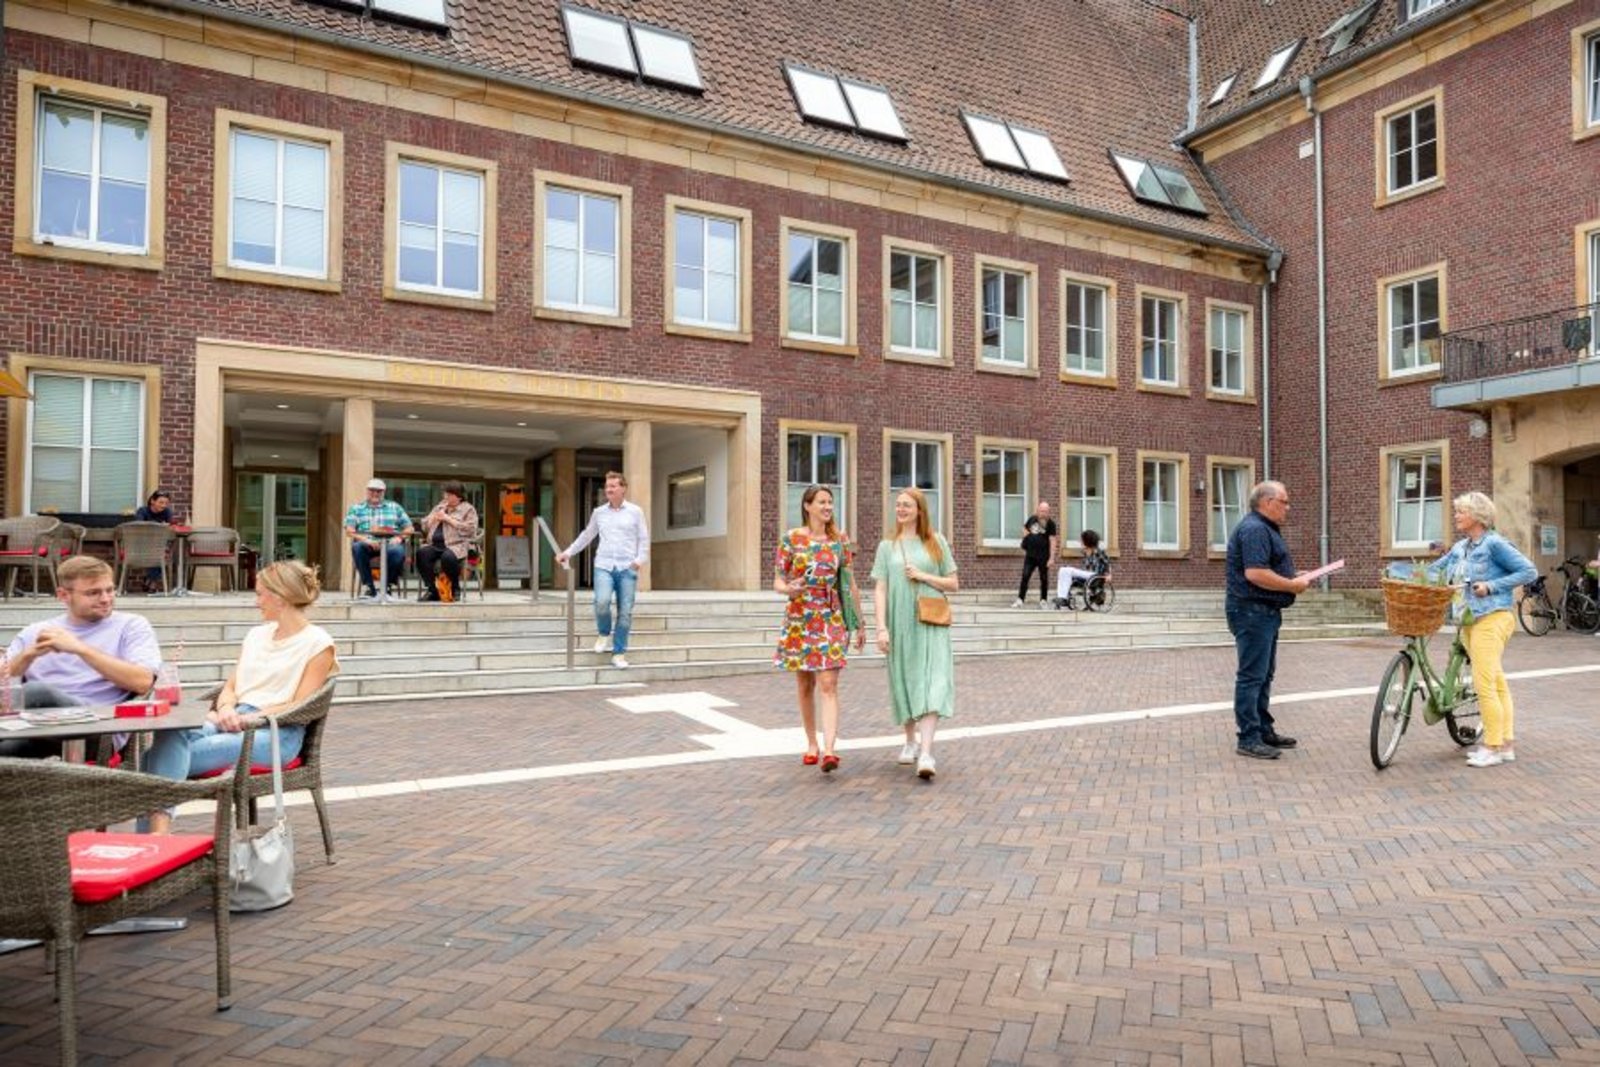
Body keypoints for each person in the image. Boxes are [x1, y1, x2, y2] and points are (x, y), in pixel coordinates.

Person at [143, 561, 340, 832]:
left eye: (260, 594)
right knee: (171, 733)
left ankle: (154, 839)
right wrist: (225, 708)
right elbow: (232, 686)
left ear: (280, 597)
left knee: (152, 762)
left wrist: (250, 719)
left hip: (276, 732)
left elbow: (300, 705)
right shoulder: (256, 635)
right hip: (233, 719)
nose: (256, 602)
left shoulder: (318, 643)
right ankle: (156, 839)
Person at [1, 556, 161, 758]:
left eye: (110, 590)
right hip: (34, 731)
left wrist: (80, 649)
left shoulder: (131, 626)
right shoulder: (35, 632)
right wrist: (27, 656)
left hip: (98, 730)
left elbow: (143, 682)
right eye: (93, 593)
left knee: (36, 691)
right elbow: (3, 688)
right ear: (63, 595)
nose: (105, 599)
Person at [1427, 492, 1536, 767]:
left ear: (1477, 516)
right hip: (1469, 620)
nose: (1456, 516)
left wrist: (1491, 586)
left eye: (1461, 512)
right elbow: (1434, 571)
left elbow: (1529, 571)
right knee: (1496, 682)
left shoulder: (1494, 544)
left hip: (1493, 617)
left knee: (1483, 684)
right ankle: (1506, 745)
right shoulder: (1460, 547)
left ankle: (1492, 746)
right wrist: (1404, 574)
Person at [773, 485, 864, 772]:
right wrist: (789, 588)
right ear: (807, 506)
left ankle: (830, 750)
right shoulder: (791, 539)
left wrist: (860, 623)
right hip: (800, 617)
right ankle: (812, 744)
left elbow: (850, 583)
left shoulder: (839, 540)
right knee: (805, 684)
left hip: (830, 615)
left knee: (828, 683)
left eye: (830, 502)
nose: (827, 507)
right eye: (822, 502)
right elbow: (777, 580)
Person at [872, 487, 958, 780]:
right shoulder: (887, 546)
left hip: (931, 621)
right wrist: (880, 627)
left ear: (919, 510)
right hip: (900, 622)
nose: (901, 509)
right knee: (905, 679)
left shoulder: (936, 541)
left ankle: (927, 752)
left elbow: (953, 583)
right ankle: (910, 741)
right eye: (898, 504)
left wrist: (923, 575)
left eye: (906, 505)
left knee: (933, 681)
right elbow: (880, 589)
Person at [1225, 481, 1312, 760]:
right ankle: (1249, 738)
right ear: (1267, 502)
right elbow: (1255, 573)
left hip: (1262, 612)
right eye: (1284, 501)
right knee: (1252, 676)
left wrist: (1292, 576)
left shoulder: (1263, 528)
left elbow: (1265, 568)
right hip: (1252, 611)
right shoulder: (1255, 529)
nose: (1288, 507)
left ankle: (1262, 729)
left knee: (1263, 674)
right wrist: (1291, 585)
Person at [556, 471, 650, 669]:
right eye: (607, 486)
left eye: (613, 486)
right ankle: (604, 632)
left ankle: (619, 653)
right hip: (604, 566)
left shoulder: (635, 512)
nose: (609, 489)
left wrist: (639, 560)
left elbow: (643, 538)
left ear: (623, 488)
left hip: (627, 568)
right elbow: (586, 535)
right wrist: (568, 552)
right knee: (602, 602)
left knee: (625, 613)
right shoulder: (599, 513)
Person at [344, 478, 413, 599]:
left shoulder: (395, 507)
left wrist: (399, 538)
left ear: (384, 492)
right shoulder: (356, 508)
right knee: (357, 547)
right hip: (367, 543)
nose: (375, 493)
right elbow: (349, 530)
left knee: (398, 551)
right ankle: (369, 587)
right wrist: (366, 540)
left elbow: (409, 528)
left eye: (379, 491)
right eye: (372, 490)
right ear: (367, 491)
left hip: (390, 543)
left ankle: (387, 586)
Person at [416, 480, 479, 602]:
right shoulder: (439, 507)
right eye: (445, 494)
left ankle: (455, 588)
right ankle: (432, 590)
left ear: (459, 496)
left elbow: (471, 530)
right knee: (422, 553)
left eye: (449, 494)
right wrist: (432, 519)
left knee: (447, 557)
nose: (445, 497)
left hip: (457, 545)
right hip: (435, 544)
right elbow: (424, 526)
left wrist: (448, 519)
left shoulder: (468, 509)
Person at [1012, 501, 1057, 609]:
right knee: (1025, 576)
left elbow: (1053, 541)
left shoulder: (1051, 524)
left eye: (1045, 511)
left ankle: (1043, 600)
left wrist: (1051, 558)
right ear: (1037, 511)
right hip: (1030, 555)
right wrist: (1027, 538)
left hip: (1044, 556)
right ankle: (1020, 599)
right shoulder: (1032, 519)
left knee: (1044, 578)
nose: (1043, 514)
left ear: (1048, 512)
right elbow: (1024, 528)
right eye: (1041, 511)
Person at [1055, 529, 1109, 606]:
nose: (1080, 542)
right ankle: (1062, 597)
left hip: (1094, 575)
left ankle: (1063, 597)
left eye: (1082, 540)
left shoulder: (1098, 551)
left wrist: (1108, 575)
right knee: (1062, 570)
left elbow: (1106, 563)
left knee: (1068, 570)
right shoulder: (1085, 552)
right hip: (1087, 575)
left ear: (1087, 540)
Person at [136, 488, 176, 591]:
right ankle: (152, 582)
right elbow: (139, 527)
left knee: (160, 550)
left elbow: (171, 528)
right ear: (152, 501)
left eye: (166, 503)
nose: (164, 505)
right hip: (141, 545)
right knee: (159, 551)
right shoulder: (142, 511)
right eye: (161, 502)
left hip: (159, 545)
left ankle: (150, 580)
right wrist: (158, 526)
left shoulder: (167, 512)